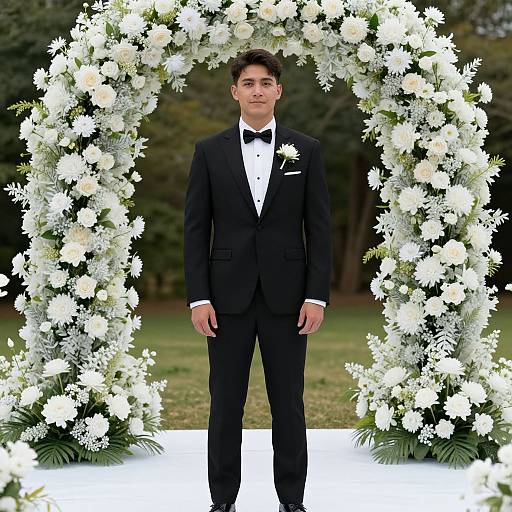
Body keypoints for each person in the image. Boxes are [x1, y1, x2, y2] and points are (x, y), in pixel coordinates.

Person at [183, 48, 332, 512]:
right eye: (248, 83)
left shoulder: (305, 150)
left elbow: (320, 228)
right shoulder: (208, 152)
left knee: (288, 404)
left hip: (289, 298)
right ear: (235, 91)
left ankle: (292, 500)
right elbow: (195, 228)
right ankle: (222, 500)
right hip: (225, 298)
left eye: (266, 82)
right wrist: (198, 298)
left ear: (279, 90)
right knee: (225, 405)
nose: (257, 90)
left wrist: (316, 294)